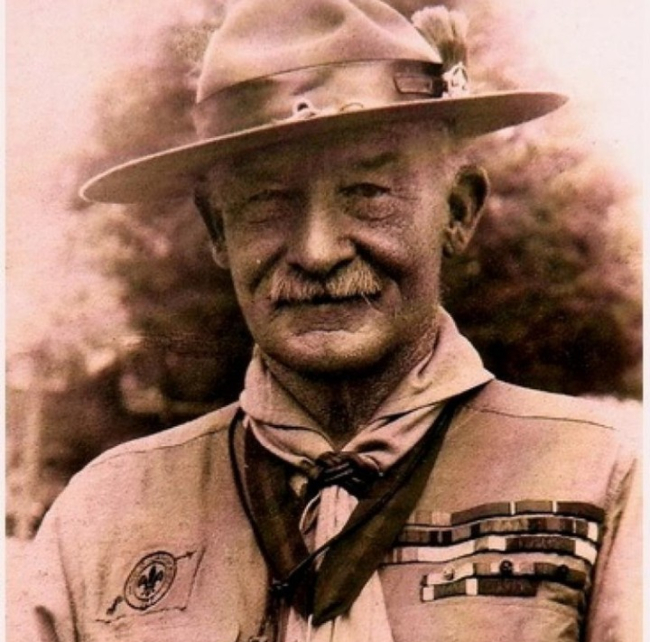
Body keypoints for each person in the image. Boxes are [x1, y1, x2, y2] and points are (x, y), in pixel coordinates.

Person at [29, 1, 640, 641]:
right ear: (217, 230)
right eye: (267, 202)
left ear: (458, 211)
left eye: (368, 194)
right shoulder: (104, 517)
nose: (318, 252)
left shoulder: (600, 480)